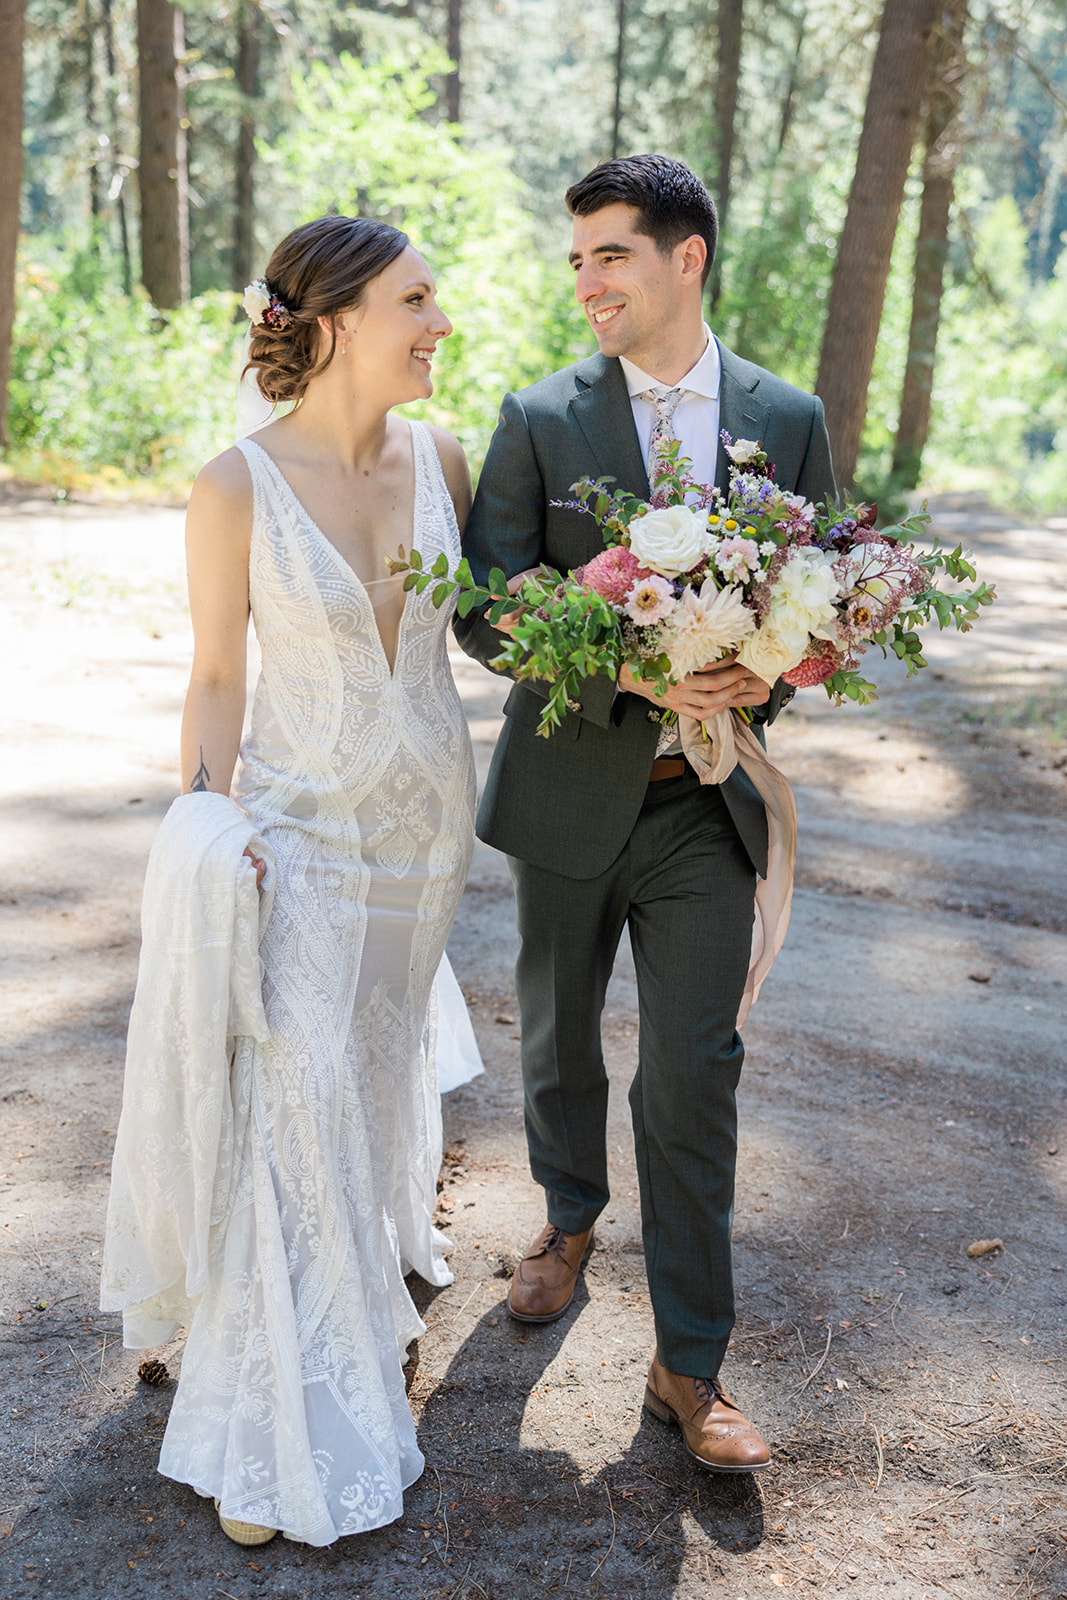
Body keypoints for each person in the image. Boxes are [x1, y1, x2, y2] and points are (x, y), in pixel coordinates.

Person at [454, 155, 835, 1473]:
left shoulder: (786, 417)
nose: (588, 282)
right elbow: (485, 603)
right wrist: (611, 662)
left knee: (694, 1071)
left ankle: (691, 1365)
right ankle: (565, 1220)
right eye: (576, 261)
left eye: (610, 255)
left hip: (705, 807)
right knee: (560, 1039)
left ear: (688, 259)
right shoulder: (539, 417)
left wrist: (771, 670)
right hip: (569, 786)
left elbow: (824, 594)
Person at [102, 215, 478, 1546]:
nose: (442, 322)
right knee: (297, 1094)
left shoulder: (445, 456)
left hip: (428, 837)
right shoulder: (233, 488)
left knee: (367, 1081)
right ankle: (282, 1416)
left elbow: (495, 628)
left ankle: (362, 1278)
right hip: (299, 838)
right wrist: (208, 828)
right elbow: (215, 675)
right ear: (333, 319)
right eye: (417, 299)